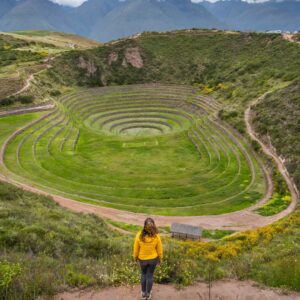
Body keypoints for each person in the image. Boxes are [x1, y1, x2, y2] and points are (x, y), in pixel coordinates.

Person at [133, 218, 163, 300]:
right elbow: (159, 249)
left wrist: (135, 257)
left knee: (143, 275)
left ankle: (143, 294)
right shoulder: (157, 236)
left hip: (142, 259)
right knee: (150, 276)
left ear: (144, 225)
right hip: (153, 259)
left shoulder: (139, 235)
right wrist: (160, 258)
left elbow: (136, 249)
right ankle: (148, 294)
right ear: (153, 225)